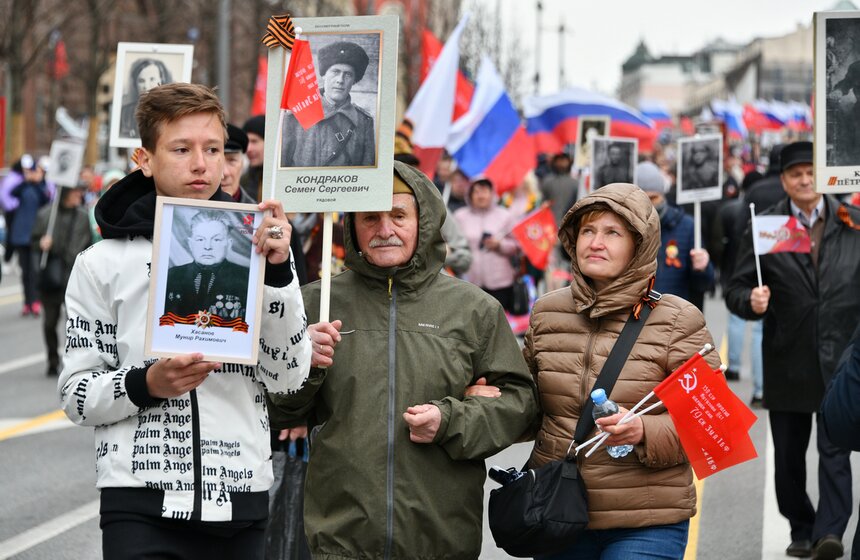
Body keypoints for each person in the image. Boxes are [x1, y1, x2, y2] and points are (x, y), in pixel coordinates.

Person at [58, 83, 311, 560]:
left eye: (212, 149)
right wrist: (146, 383)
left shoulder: (258, 249)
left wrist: (278, 273)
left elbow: (289, 378)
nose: (201, 164)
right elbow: (75, 396)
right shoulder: (101, 263)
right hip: (139, 501)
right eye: (181, 149)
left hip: (240, 500)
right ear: (144, 159)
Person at [268, 160, 538, 559]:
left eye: (398, 215)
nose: (384, 229)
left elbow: (521, 406)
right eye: (370, 217)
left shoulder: (474, 309)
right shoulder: (315, 302)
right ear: (352, 226)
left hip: (441, 539)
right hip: (341, 540)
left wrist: (450, 421)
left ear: (424, 221)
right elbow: (277, 410)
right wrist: (302, 364)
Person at [524, 182, 720, 559]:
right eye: (587, 231)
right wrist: (488, 397)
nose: (595, 242)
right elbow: (529, 409)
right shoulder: (546, 312)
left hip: (648, 520)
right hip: (557, 512)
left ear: (639, 245)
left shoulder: (679, 319)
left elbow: (710, 427)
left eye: (612, 232)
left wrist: (644, 430)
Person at [726, 141, 860, 560]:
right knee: (787, 458)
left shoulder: (852, 221)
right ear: (783, 180)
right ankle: (801, 525)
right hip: (788, 359)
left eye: (811, 173)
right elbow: (735, 288)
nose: (805, 180)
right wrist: (752, 301)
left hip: (841, 358)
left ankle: (829, 532)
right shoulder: (766, 227)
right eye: (796, 174)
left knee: (835, 450)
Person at [280, 41, 375, 168]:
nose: (340, 80)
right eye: (335, 72)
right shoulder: (296, 116)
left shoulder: (363, 122)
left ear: (354, 81)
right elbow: (281, 169)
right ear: (324, 75)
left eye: (348, 74)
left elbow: (367, 174)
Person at [32, 185, 92, 376]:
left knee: (74, 325)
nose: (79, 195)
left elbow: (89, 245)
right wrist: (41, 243)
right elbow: (32, 243)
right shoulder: (45, 216)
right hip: (52, 278)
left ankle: (71, 362)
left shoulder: (82, 216)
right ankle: (52, 359)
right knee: (49, 323)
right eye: (76, 191)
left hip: (74, 278)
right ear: (66, 193)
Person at [636, 161, 714, 305]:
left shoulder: (687, 226)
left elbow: (703, 284)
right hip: (635, 318)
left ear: (662, 195)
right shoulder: (627, 229)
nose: (649, 205)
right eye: (642, 199)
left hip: (675, 318)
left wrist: (703, 268)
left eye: (653, 198)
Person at [718, 170, 764, 395]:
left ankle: (733, 366)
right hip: (762, 273)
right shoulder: (772, 206)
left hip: (735, 271)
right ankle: (760, 388)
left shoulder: (731, 210)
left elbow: (721, 244)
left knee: (736, 320)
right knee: (759, 328)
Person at [164, 210, 251, 322]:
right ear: (191, 244)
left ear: (228, 244)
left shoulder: (246, 278)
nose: (207, 246)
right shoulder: (171, 276)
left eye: (216, 239)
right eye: (200, 239)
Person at [454, 177, 520, 312]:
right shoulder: (460, 216)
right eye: (476, 191)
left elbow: (517, 245)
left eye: (484, 191)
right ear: (469, 194)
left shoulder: (505, 215)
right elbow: (453, 243)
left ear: (492, 193)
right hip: (469, 280)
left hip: (500, 281)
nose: (480, 195)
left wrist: (499, 245)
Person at [10, 155, 51, 316]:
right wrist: (26, 180)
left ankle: (35, 301)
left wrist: (39, 181)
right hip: (21, 235)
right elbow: (13, 192)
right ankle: (27, 302)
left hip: (35, 236)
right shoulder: (24, 187)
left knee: (35, 271)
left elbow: (45, 199)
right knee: (25, 272)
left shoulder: (40, 188)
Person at [119, 57, 172, 139]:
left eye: (152, 79)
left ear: (161, 81)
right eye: (141, 81)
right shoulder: (125, 113)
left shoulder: (171, 112)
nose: (146, 86)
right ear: (135, 84)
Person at [240, 114, 266, 201]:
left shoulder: (285, 181)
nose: (248, 149)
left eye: (254, 141)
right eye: (247, 142)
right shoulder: (243, 181)